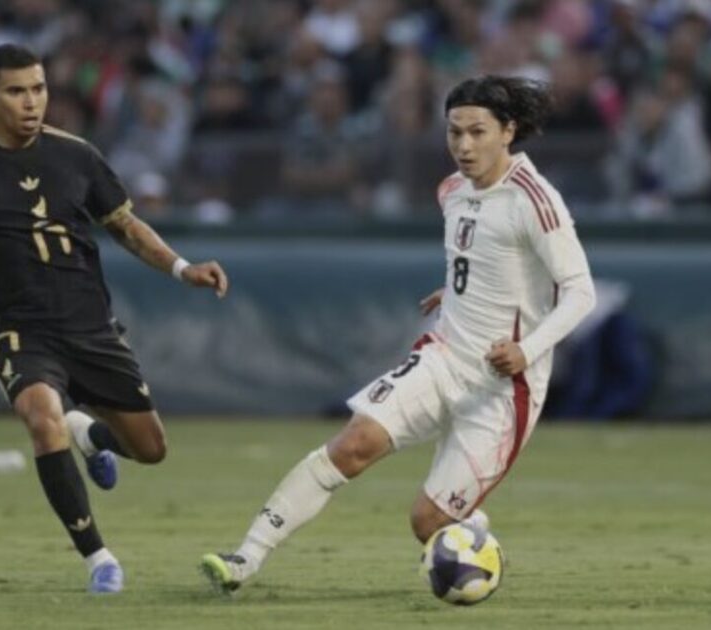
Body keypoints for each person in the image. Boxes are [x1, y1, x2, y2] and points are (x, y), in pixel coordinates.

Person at [200, 75, 596, 593]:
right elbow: (489, 260)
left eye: (477, 132)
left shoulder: (534, 199)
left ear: (508, 131)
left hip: (503, 387)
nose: (463, 145)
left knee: (428, 524)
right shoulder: (452, 190)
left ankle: (472, 533)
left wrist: (527, 349)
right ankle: (244, 559)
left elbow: (580, 291)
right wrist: (455, 291)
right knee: (353, 444)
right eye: (454, 132)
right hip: (444, 355)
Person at [0, 44, 228, 594]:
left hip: (90, 324)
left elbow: (126, 226)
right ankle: (99, 558)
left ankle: (90, 434)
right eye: (16, 91)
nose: (31, 102)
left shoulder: (77, 155)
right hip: (17, 328)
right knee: (41, 418)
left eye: (38, 89)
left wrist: (182, 267)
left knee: (151, 449)